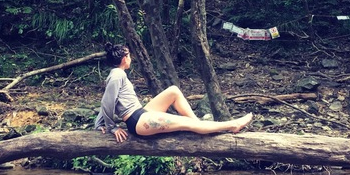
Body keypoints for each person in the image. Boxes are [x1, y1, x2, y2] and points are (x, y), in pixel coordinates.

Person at [94, 42, 254, 143]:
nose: (131, 58)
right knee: (186, 123)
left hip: (141, 113)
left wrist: (99, 123)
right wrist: (111, 127)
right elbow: (107, 101)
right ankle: (232, 125)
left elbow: (108, 97)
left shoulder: (117, 74)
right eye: (129, 55)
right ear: (124, 58)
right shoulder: (117, 75)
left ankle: (198, 124)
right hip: (137, 122)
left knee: (173, 91)